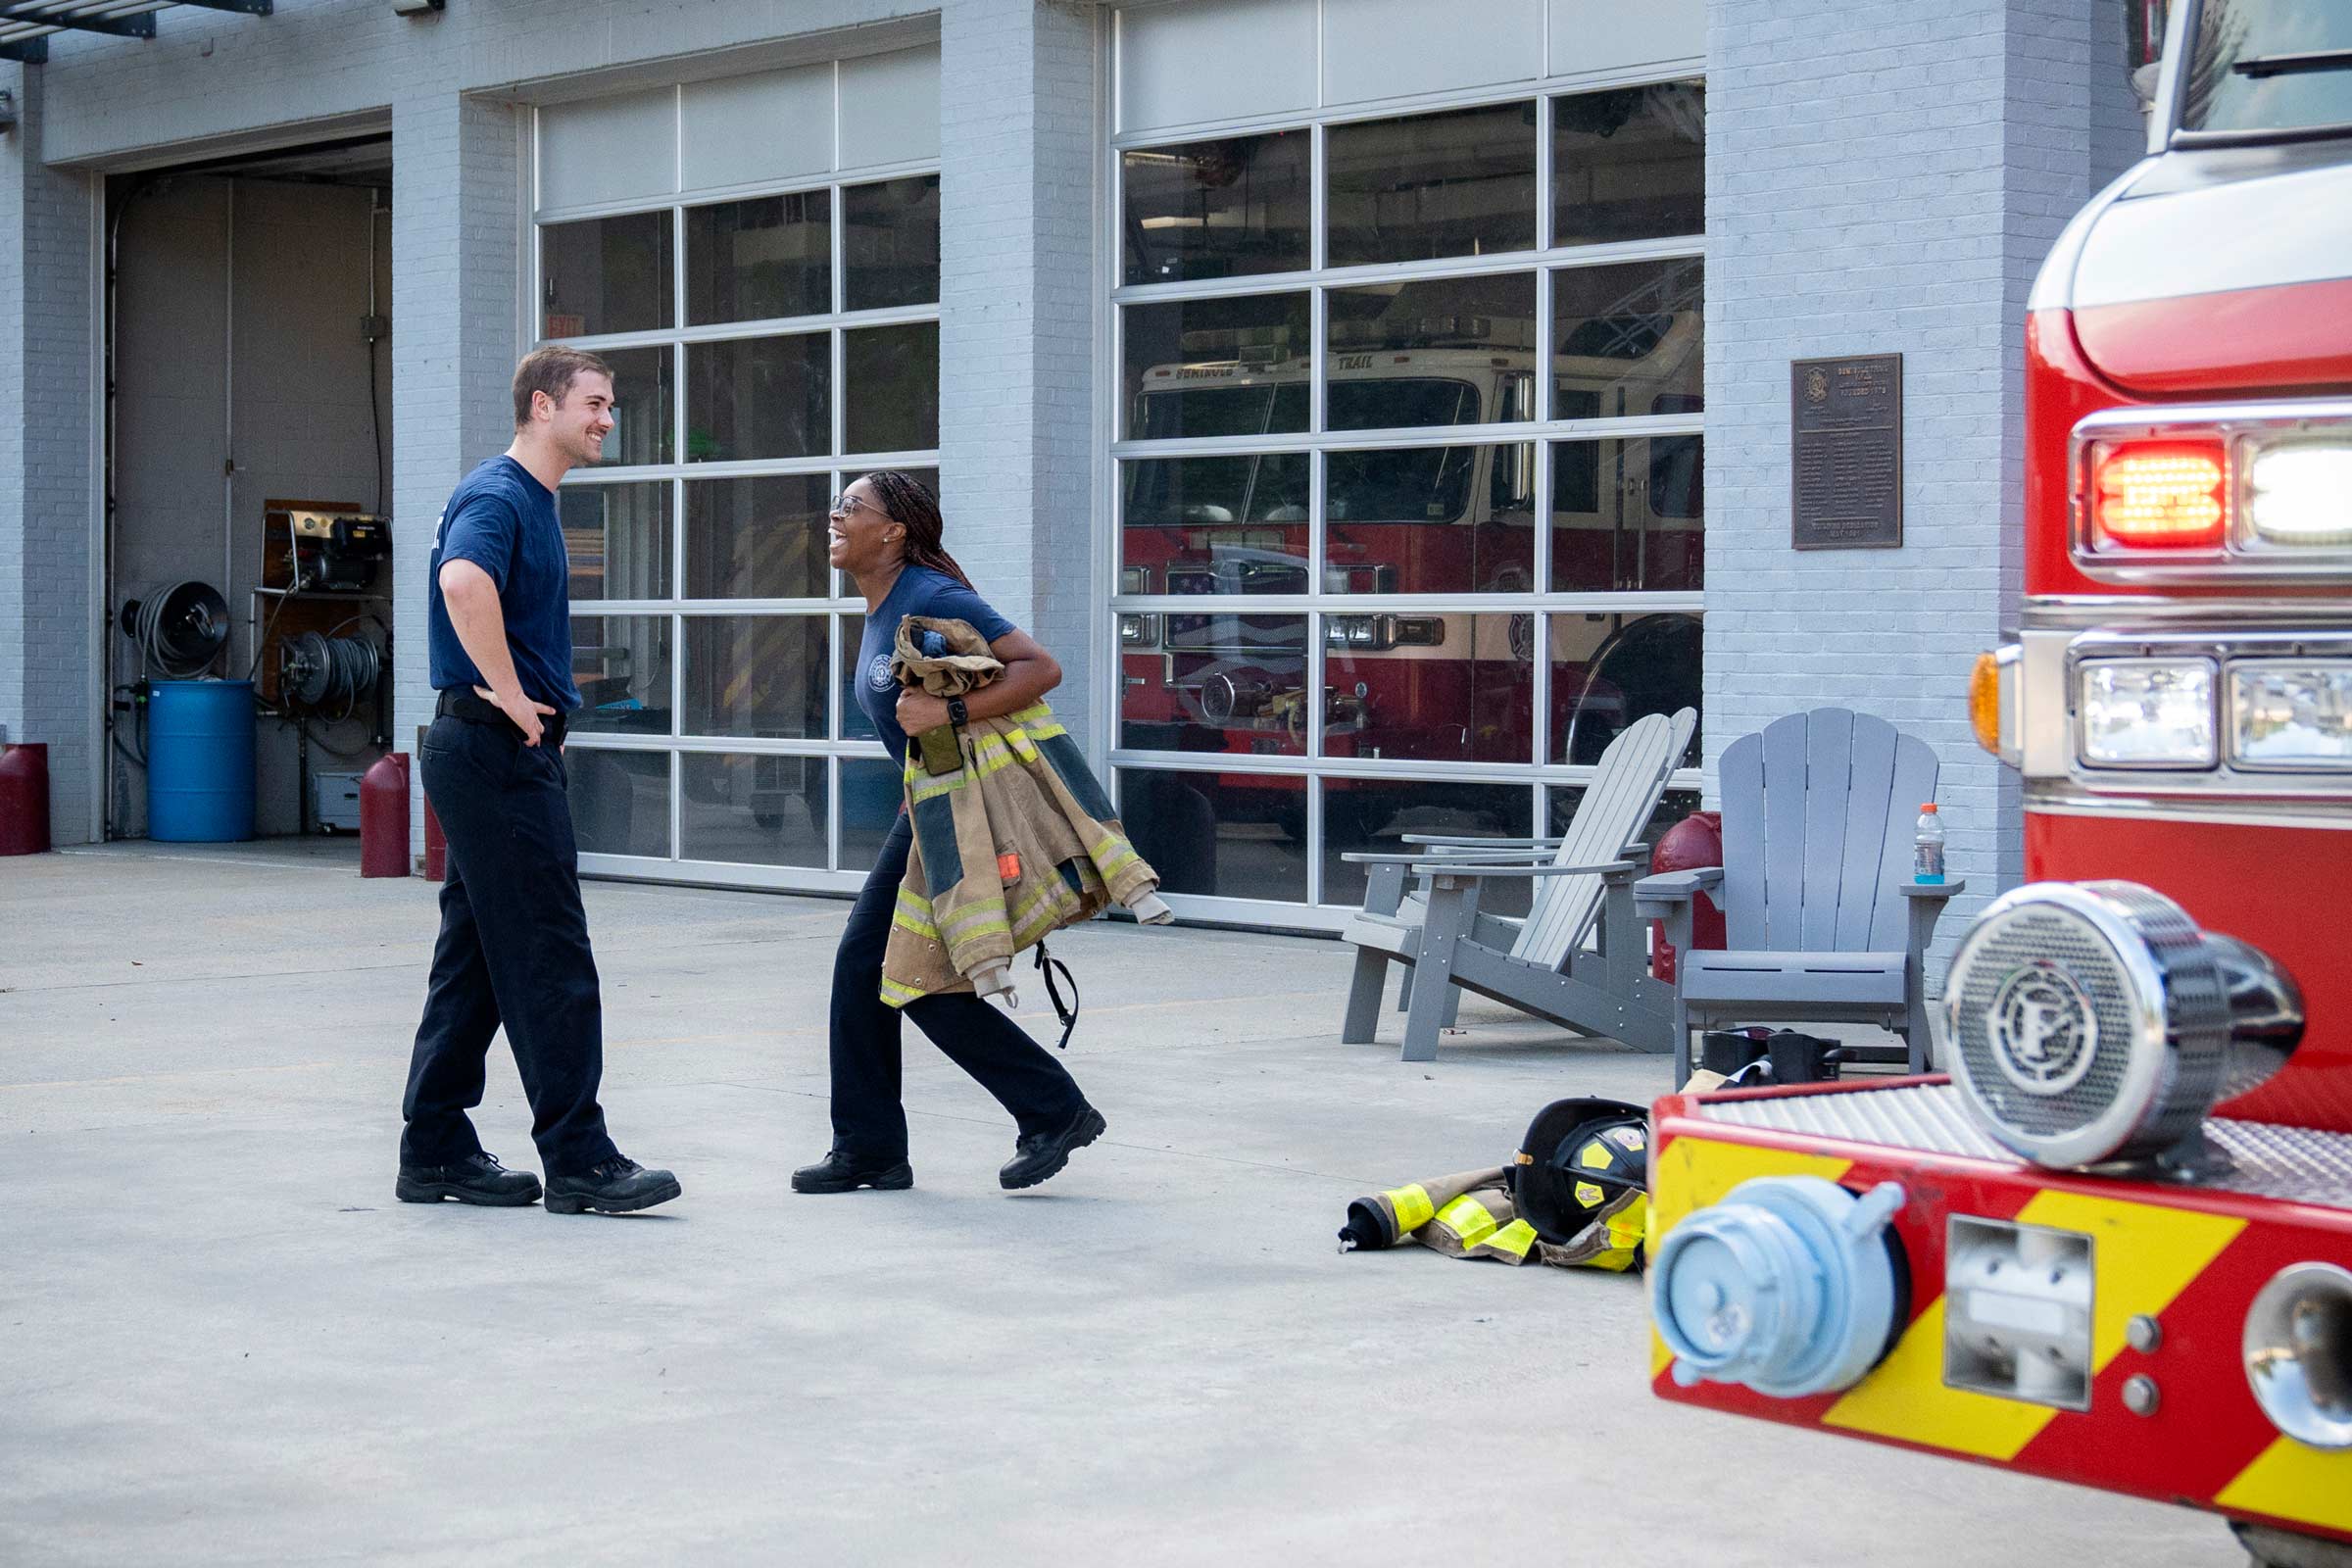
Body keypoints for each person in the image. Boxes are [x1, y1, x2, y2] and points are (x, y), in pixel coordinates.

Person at [396, 346, 680, 1216]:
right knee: (550, 953)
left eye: (610, 405)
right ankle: (580, 1158)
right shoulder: (501, 492)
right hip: (492, 751)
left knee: (477, 961)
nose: (606, 419)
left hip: (488, 751)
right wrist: (518, 704)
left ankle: (435, 1148)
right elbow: (462, 581)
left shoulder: (534, 500)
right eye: (593, 403)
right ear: (540, 405)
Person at [792, 471, 1106, 1195]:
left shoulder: (930, 595)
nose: (834, 516)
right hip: (928, 811)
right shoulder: (885, 606)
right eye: (837, 505)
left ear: (895, 530)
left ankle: (1039, 1111)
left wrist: (952, 718)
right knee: (885, 975)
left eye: (852, 507)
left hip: (956, 815)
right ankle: (1029, 1113)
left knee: (891, 973)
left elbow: (1039, 668)